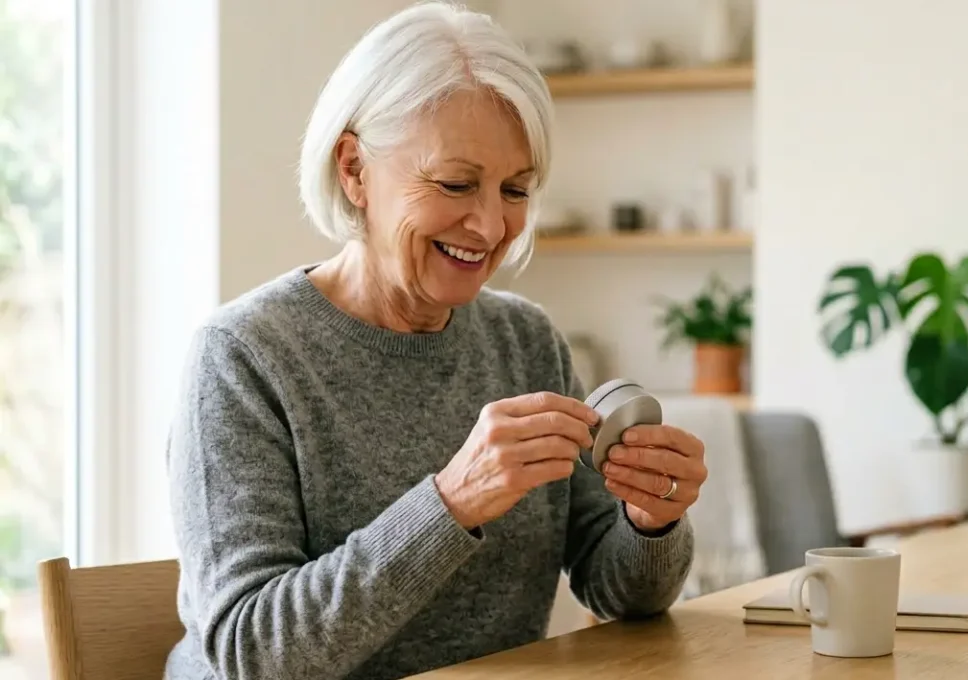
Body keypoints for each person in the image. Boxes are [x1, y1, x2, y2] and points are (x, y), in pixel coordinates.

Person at [162, 3, 707, 679]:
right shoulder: (244, 356)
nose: (488, 224)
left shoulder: (525, 341)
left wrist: (650, 523)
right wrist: (451, 502)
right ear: (355, 170)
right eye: (455, 184)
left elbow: (618, 591)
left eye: (515, 189)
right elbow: (252, 653)